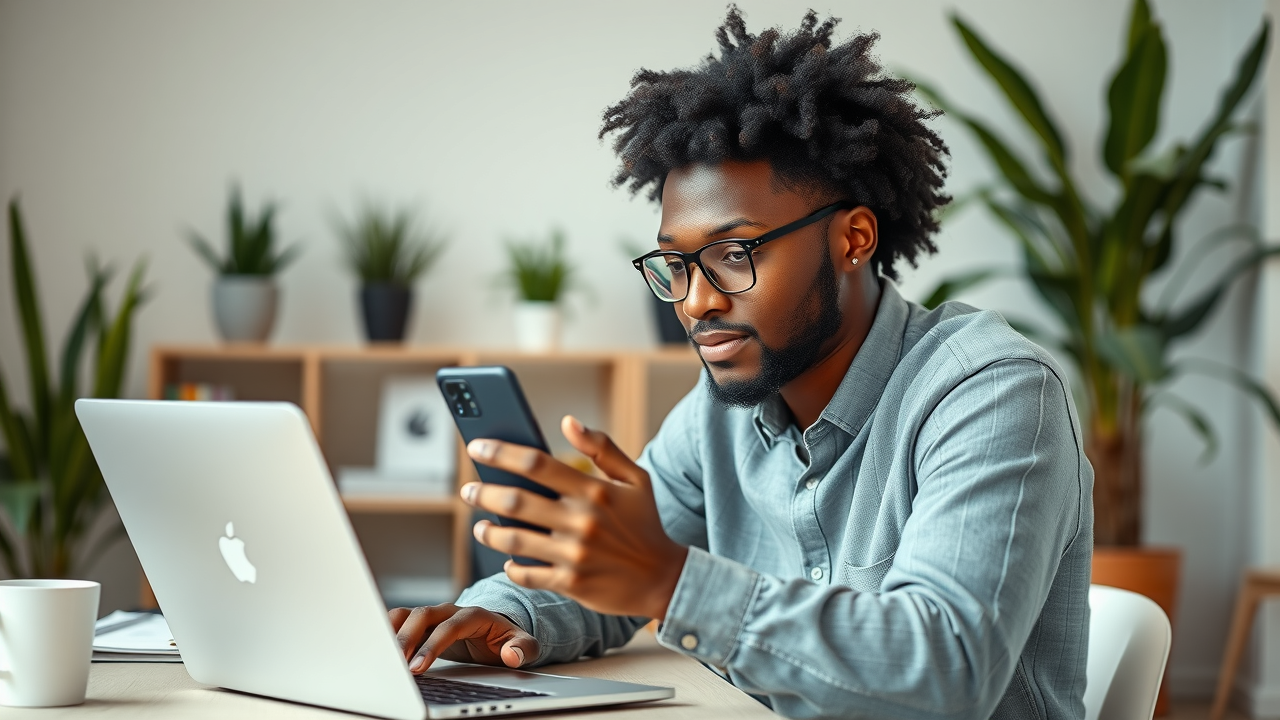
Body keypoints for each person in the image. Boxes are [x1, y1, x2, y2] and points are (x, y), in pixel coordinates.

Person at [390, 8, 1092, 719]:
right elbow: (615, 576)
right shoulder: (721, 414)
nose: (694, 303)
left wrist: (671, 583)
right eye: (675, 265)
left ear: (852, 240)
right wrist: (497, 614)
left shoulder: (993, 394)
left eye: (734, 254)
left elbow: (949, 670)